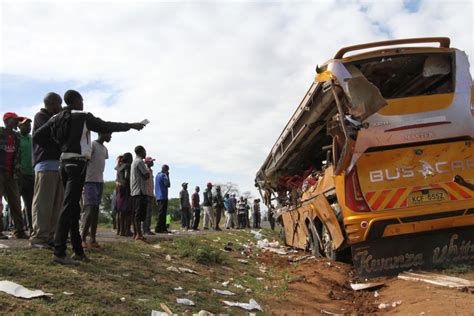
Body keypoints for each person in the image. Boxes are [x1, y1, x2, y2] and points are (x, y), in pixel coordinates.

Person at [33, 90, 146, 265]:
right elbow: (106, 125)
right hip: (77, 164)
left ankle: (78, 251)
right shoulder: (83, 116)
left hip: (63, 163)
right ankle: (59, 252)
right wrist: (131, 125)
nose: (83, 103)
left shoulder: (57, 117)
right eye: (82, 100)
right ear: (76, 100)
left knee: (73, 209)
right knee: (68, 207)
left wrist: (60, 145)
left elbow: (38, 135)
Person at [30, 92, 63, 249]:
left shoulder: (56, 118)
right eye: (58, 104)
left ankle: (50, 236)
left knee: (56, 204)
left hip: (58, 165)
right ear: (51, 103)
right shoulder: (40, 116)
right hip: (45, 164)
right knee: (43, 203)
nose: (60, 107)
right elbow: (44, 136)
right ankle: (38, 237)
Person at [80, 133, 111, 249]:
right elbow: (85, 161)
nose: (110, 137)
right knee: (90, 209)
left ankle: (93, 239)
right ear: (101, 132)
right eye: (109, 134)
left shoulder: (105, 149)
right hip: (89, 181)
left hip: (99, 181)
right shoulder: (92, 145)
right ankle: (82, 238)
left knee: (96, 210)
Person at [0, 112, 27, 239]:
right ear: (7, 121)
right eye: (15, 120)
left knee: (16, 202)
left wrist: (18, 171)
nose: (17, 122)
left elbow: (18, 155)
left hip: (12, 174)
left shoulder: (17, 136)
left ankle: (19, 231)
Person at [18, 117, 34, 234]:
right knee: (15, 203)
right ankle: (18, 229)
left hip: (31, 174)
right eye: (25, 125)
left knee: (31, 203)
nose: (28, 127)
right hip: (18, 175)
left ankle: (32, 227)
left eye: (29, 125)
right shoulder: (15, 138)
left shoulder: (32, 139)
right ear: (19, 126)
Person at [130, 145, 150, 241]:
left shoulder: (134, 162)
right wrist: (148, 170)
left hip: (135, 191)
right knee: (139, 214)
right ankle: (139, 234)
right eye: (145, 151)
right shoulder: (140, 162)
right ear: (141, 152)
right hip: (140, 191)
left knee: (136, 214)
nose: (145, 154)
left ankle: (136, 234)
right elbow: (146, 175)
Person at [115, 153, 133, 236]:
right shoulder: (127, 166)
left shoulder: (119, 167)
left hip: (119, 190)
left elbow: (117, 179)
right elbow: (127, 177)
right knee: (128, 211)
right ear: (129, 159)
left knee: (120, 212)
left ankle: (120, 231)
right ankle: (127, 231)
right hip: (126, 190)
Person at [155, 164, 170, 233]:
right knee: (162, 213)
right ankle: (158, 228)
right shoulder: (164, 175)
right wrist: (168, 175)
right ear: (166, 170)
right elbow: (168, 184)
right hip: (163, 196)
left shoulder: (157, 175)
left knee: (161, 212)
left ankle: (163, 228)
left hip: (158, 196)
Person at [142, 156, 156, 235]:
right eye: (151, 161)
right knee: (146, 213)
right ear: (147, 162)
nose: (152, 162)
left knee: (149, 213)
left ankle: (147, 229)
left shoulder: (150, 170)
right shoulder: (145, 170)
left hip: (150, 194)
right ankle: (145, 229)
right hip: (146, 193)